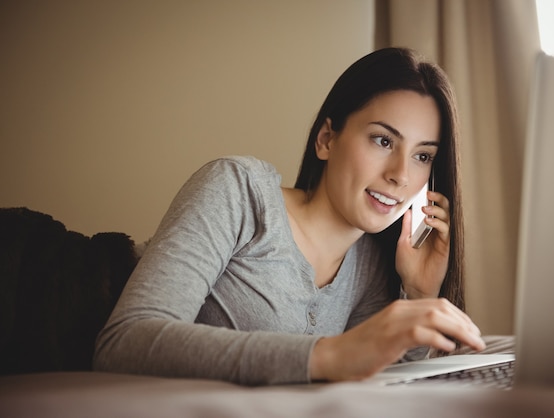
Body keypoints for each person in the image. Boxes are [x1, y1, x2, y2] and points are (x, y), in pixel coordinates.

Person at [93, 47, 486, 385]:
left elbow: (380, 377)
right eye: (383, 140)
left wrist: (418, 294)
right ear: (327, 139)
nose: (401, 175)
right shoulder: (239, 190)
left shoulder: (369, 265)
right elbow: (123, 342)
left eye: (422, 156)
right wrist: (326, 356)